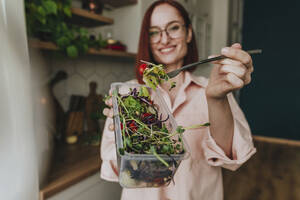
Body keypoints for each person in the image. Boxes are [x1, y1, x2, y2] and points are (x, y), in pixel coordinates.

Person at [101, 0, 256, 199]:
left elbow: (232, 157)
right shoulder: (129, 95)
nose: (164, 39)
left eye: (173, 27)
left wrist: (216, 100)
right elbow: (113, 165)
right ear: (147, 40)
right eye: (154, 32)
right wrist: (128, 131)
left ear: (189, 33)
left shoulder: (212, 90)